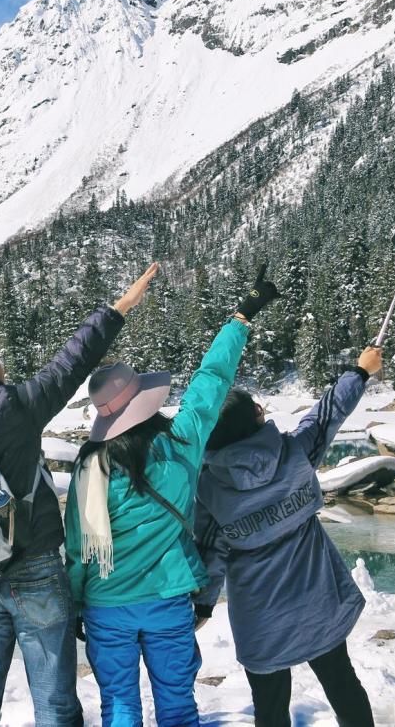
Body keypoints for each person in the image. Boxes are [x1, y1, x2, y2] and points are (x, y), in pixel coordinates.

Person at [0, 263, 162, 727]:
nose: (2, 364)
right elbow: (72, 361)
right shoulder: (13, 408)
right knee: (54, 699)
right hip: (34, 568)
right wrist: (120, 307)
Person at [65, 265, 282, 727]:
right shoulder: (182, 442)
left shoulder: (90, 467)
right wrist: (241, 317)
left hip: (107, 604)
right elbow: (211, 381)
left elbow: (80, 551)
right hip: (167, 601)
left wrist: (77, 603)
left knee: (119, 706)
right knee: (178, 707)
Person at [193, 346, 384, 727]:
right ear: (255, 419)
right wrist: (360, 372)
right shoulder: (295, 453)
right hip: (318, 600)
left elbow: (210, 556)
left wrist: (201, 608)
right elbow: (330, 413)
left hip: (259, 616)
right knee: (342, 682)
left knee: (270, 705)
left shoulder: (209, 489)